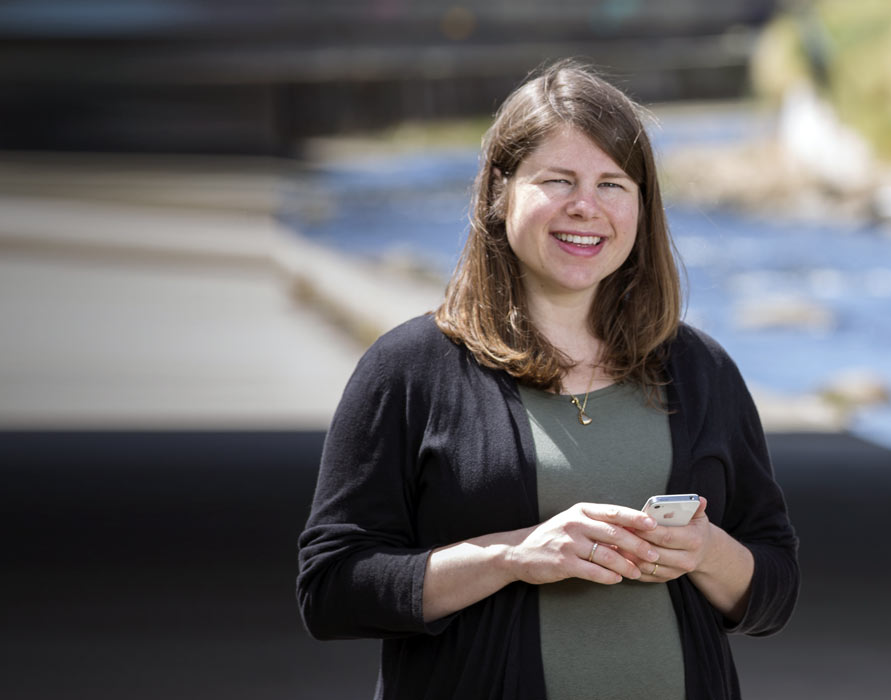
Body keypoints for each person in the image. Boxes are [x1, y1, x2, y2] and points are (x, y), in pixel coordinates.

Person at [297, 60, 799, 700]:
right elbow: (331, 590)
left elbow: (775, 587)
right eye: (557, 180)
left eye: (612, 184)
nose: (585, 207)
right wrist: (512, 558)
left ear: (642, 206)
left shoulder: (702, 372)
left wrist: (705, 553)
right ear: (499, 193)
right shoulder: (409, 369)